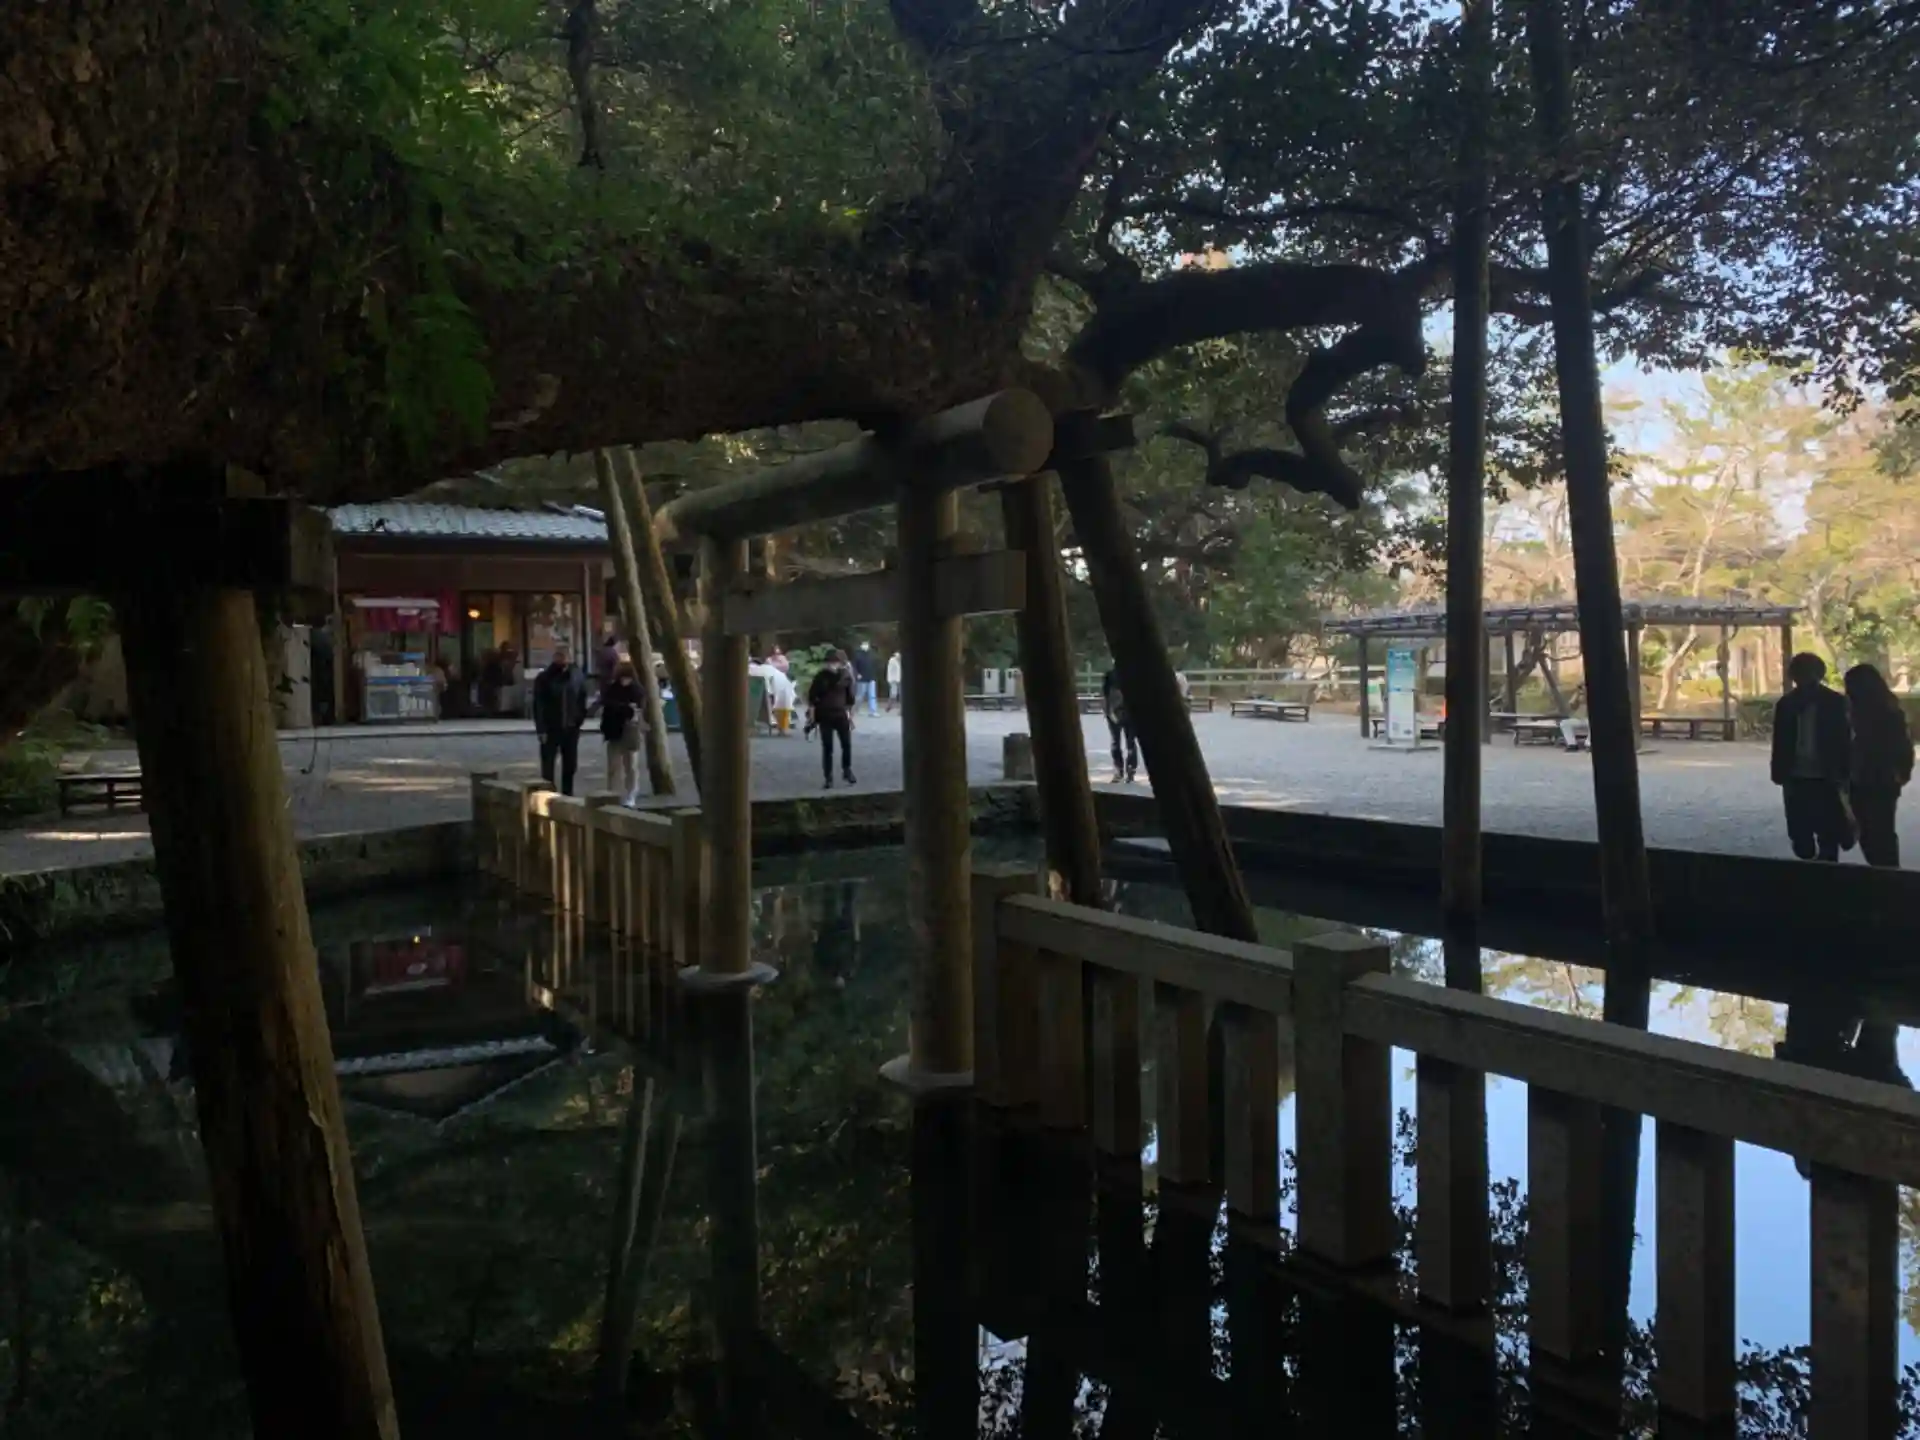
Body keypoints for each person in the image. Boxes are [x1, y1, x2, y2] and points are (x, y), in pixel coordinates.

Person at [1771, 652, 1853, 862]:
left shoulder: (1835, 702)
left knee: (1828, 835)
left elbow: (1844, 740)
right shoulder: (1786, 704)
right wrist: (1778, 770)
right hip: (1795, 775)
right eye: (1800, 673)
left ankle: (1825, 873)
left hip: (1827, 776)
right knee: (1800, 835)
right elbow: (1779, 740)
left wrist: (1845, 773)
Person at [1845, 663, 1913, 868]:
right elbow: (1904, 746)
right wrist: (1902, 773)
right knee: (1880, 829)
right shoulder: (1889, 710)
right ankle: (1887, 870)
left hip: (1871, 778)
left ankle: (1886, 871)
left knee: (1873, 831)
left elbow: (1901, 746)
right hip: (1879, 779)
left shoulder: (1865, 712)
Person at [532, 644, 591, 796]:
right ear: (554, 657)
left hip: (571, 727)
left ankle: (567, 794)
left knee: (570, 765)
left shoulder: (576, 676)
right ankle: (548, 795)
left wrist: (579, 719)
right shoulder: (545, 678)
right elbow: (538, 705)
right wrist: (541, 729)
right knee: (548, 765)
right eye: (559, 656)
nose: (562, 659)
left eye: (565, 656)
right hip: (551, 727)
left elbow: (582, 698)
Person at [808, 649, 858, 788]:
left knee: (846, 744)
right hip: (825, 714)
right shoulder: (821, 677)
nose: (833, 665)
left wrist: (850, 716)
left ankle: (846, 770)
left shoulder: (845, 676)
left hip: (840, 713)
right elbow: (812, 697)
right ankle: (828, 776)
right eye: (831, 662)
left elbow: (850, 699)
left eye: (835, 662)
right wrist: (812, 717)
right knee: (827, 747)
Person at [600, 658, 647, 804]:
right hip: (615, 731)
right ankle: (613, 793)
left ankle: (630, 793)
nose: (624, 680)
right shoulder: (612, 689)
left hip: (629, 731)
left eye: (627, 677)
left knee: (630, 765)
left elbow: (638, 710)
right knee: (614, 766)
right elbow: (608, 709)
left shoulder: (637, 690)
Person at [1102, 666, 1137, 783]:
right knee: (1124, 742)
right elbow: (1105, 695)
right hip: (1121, 712)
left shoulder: (1131, 674)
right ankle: (1125, 769)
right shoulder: (1130, 674)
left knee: (1123, 742)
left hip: (1123, 712)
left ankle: (1125, 769)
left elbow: (1106, 695)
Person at [850, 641, 879, 717]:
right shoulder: (857, 655)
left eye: (867, 644)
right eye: (864, 644)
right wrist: (857, 674)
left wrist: (874, 675)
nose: (866, 646)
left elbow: (874, 666)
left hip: (871, 678)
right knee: (860, 695)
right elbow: (854, 666)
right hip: (862, 678)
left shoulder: (871, 655)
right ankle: (856, 709)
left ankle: (872, 711)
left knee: (872, 696)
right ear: (861, 645)